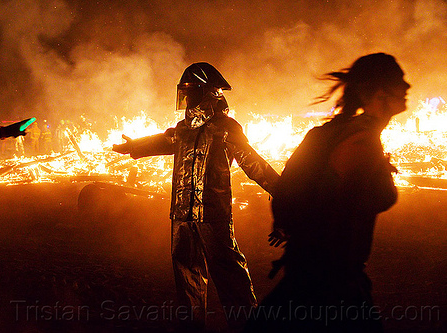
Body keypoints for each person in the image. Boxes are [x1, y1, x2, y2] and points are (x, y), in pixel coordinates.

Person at [245, 53, 410, 333]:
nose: (407, 87)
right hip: (330, 282)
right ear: (381, 92)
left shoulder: (339, 133)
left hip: (314, 273)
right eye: (400, 80)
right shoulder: (360, 141)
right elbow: (336, 206)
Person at [113, 62, 280, 331]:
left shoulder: (226, 127)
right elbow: (162, 140)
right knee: (187, 276)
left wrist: (281, 188)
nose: (186, 99)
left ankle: (249, 326)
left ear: (207, 93)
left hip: (213, 214)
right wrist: (134, 146)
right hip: (181, 214)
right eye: (185, 92)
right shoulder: (183, 128)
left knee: (229, 273)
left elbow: (252, 162)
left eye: (191, 92)